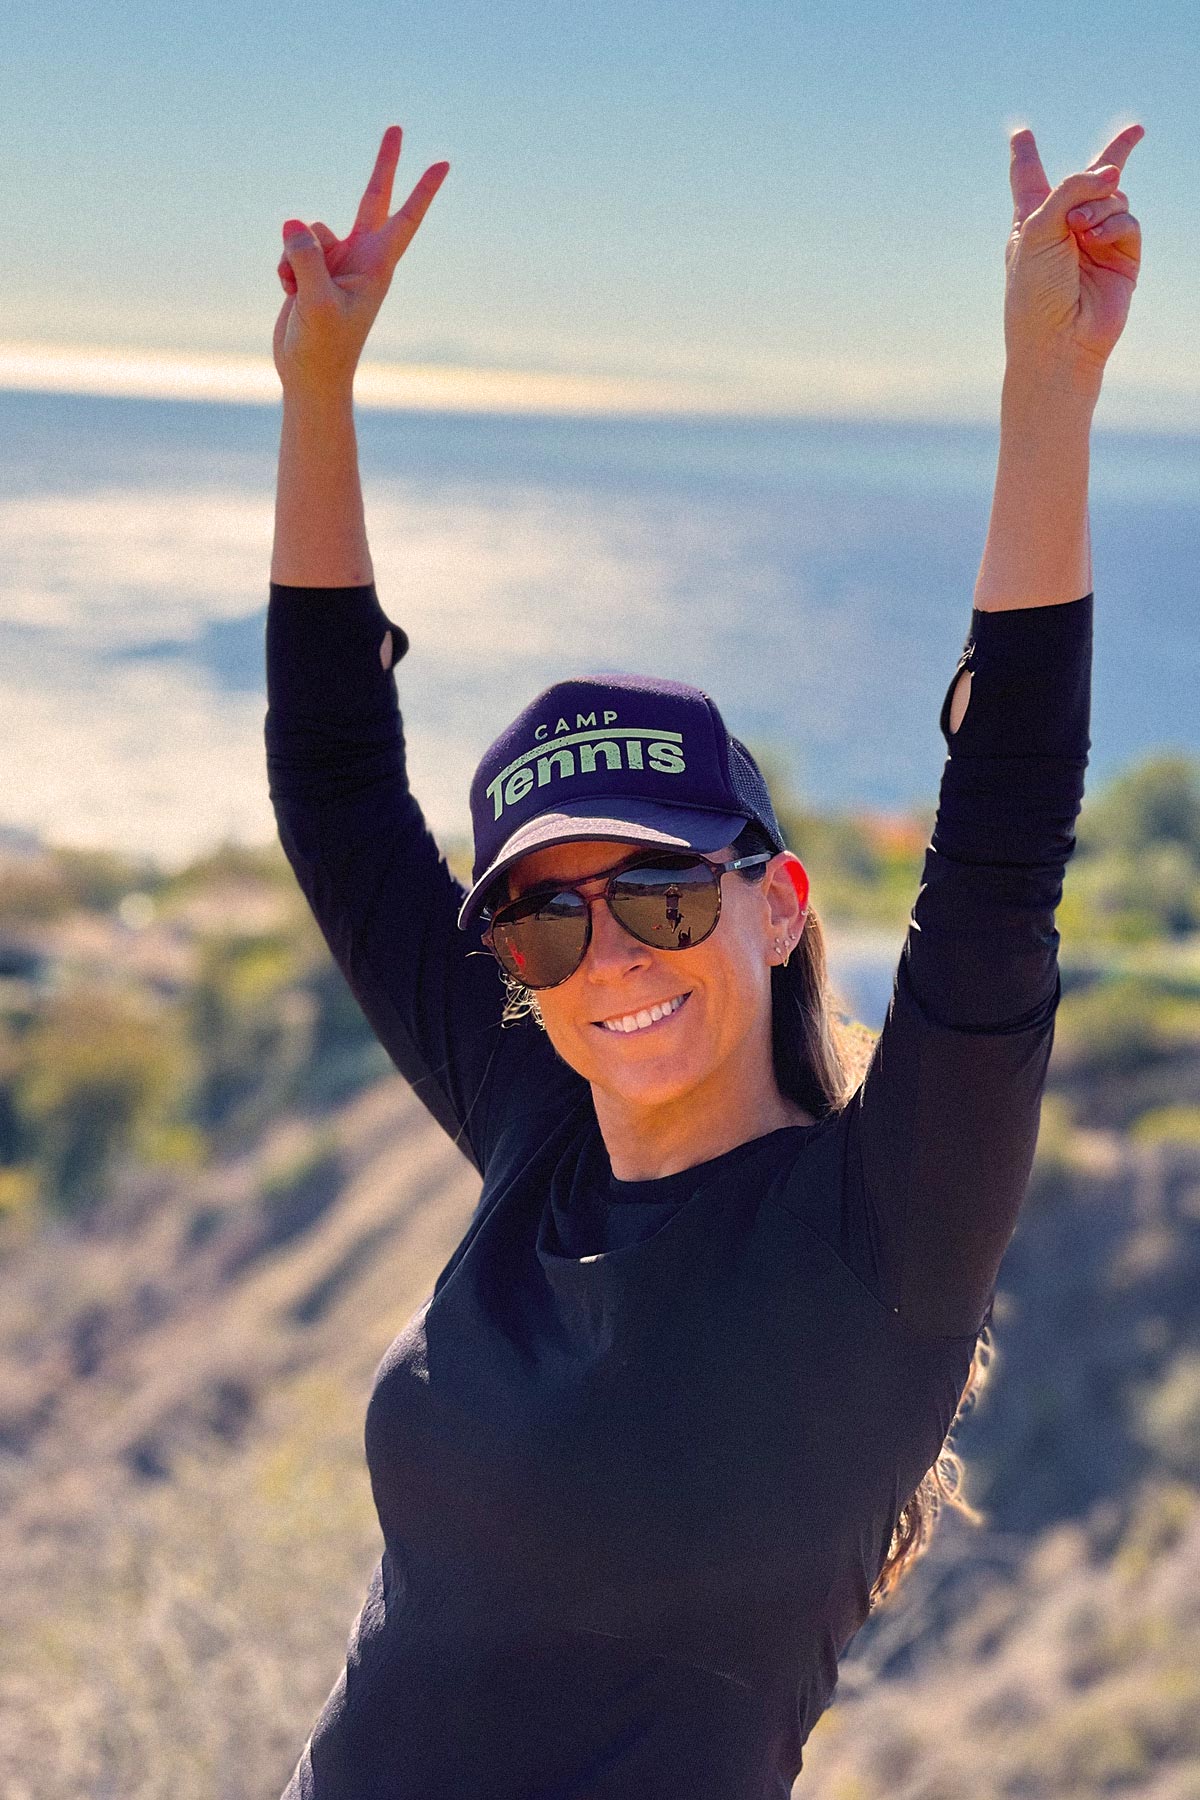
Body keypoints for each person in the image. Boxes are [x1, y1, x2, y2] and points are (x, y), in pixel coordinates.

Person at [265, 119, 1143, 1799]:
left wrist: (1050, 388)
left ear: (781, 901)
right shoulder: (542, 1128)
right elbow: (338, 803)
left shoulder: (882, 1228)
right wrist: (319, 390)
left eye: (662, 896)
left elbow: (1007, 837)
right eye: (547, 916)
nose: (609, 959)